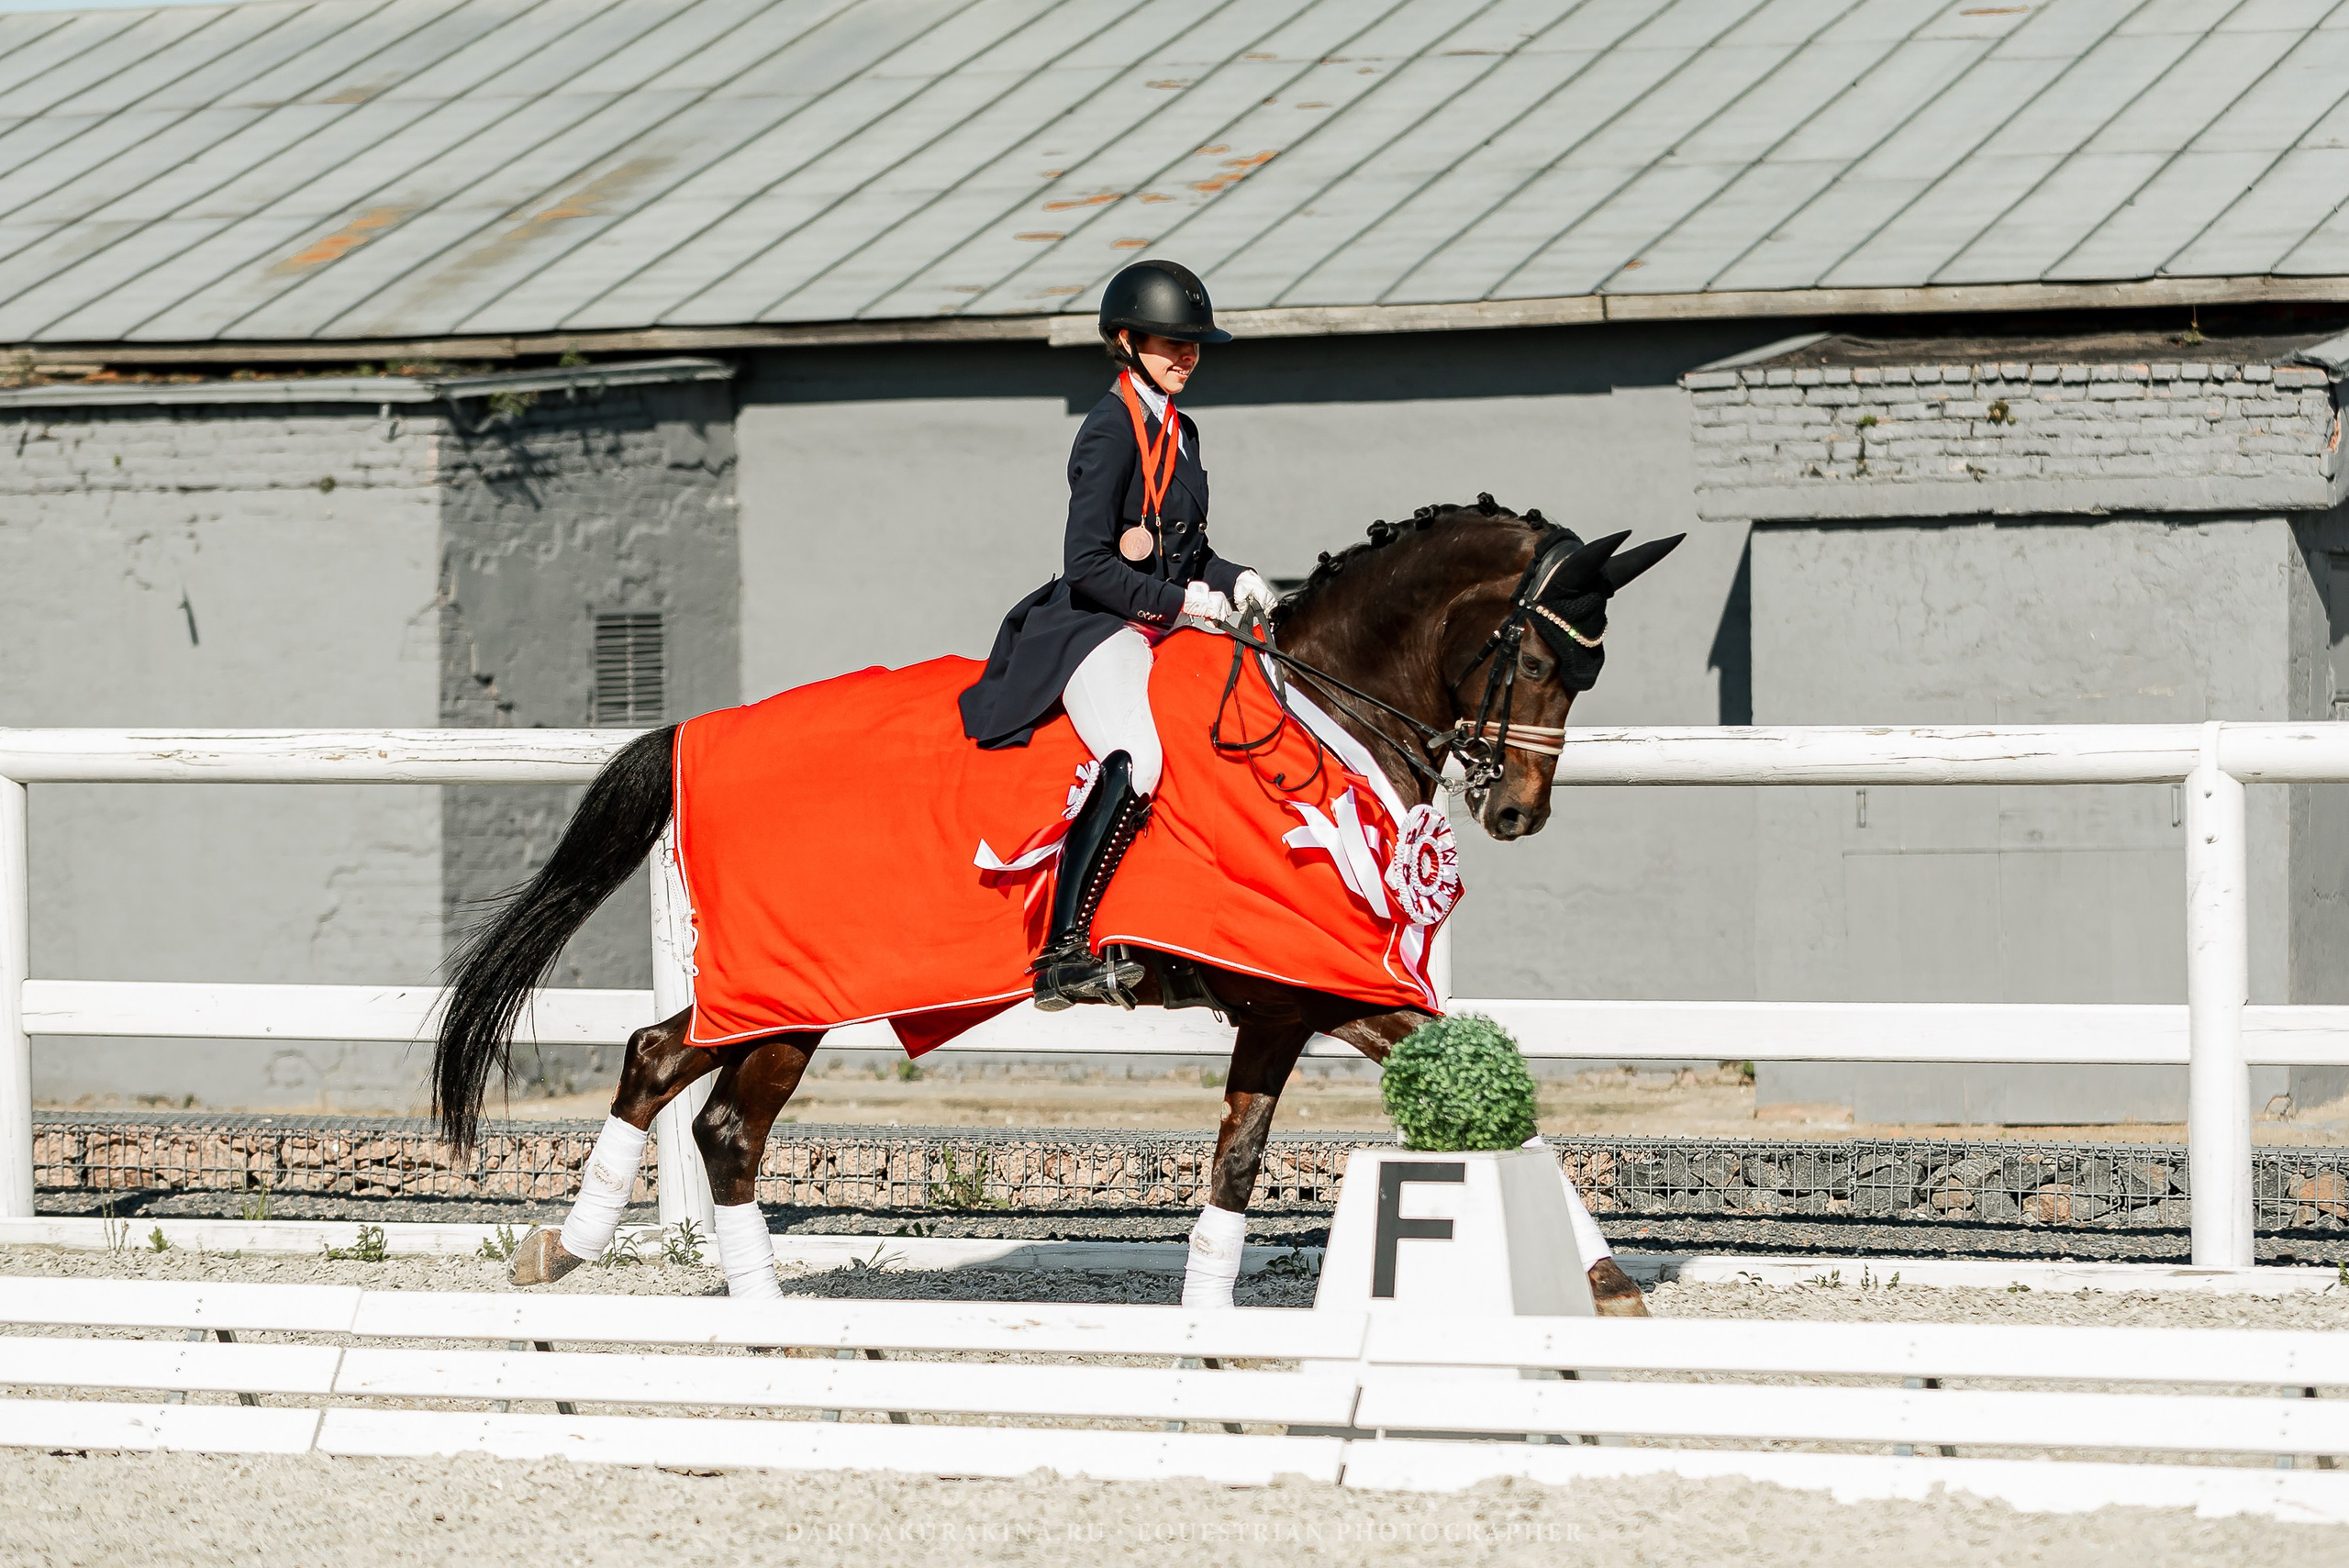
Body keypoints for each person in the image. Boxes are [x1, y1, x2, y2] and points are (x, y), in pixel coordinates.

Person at [960, 259, 1275, 1009]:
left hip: (1155, 620)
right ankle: (1062, 953)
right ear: (1128, 341)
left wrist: (1234, 577)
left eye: (1193, 344)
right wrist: (1181, 602)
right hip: (1097, 625)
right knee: (1139, 756)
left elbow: (1187, 548)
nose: (1186, 356)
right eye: (1170, 342)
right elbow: (1088, 563)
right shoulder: (1108, 428)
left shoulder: (1181, 429)